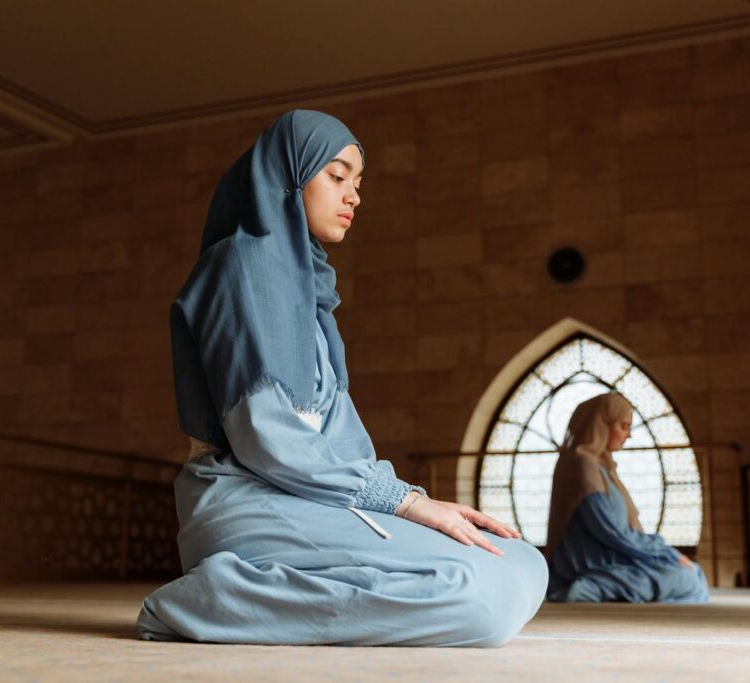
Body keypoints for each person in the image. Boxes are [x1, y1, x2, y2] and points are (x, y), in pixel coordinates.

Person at [136, 110, 547, 646]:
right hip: (247, 499)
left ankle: (273, 592)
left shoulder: (309, 297)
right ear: (288, 176)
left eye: (357, 183)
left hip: (312, 499)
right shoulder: (239, 265)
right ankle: (210, 601)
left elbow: (343, 437)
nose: (353, 196)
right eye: (336, 176)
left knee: (522, 562)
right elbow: (264, 437)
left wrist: (405, 499)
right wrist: (405, 503)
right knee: (480, 603)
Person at [545, 392, 710, 603]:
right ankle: (592, 588)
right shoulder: (582, 464)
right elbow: (612, 532)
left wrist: (666, 554)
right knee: (687, 578)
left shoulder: (601, 467)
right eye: (623, 427)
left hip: (615, 555)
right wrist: (668, 553)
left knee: (693, 576)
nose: (628, 435)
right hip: (596, 563)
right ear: (601, 425)